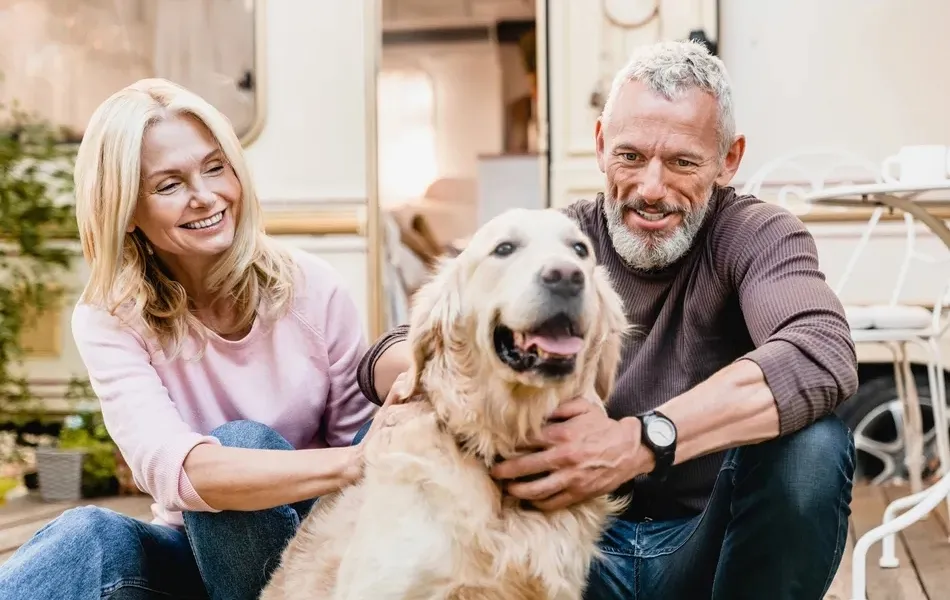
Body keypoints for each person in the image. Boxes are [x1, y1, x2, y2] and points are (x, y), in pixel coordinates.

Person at [358, 40, 858, 599]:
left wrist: (641, 441)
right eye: (630, 156)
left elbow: (820, 352)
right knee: (388, 428)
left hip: (708, 551)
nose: (650, 188)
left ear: (729, 160)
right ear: (600, 144)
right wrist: (421, 378)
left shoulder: (757, 236)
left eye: (682, 163)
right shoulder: (560, 245)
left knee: (813, 446)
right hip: (566, 551)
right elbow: (393, 348)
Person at [0, 78, 380, 600]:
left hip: (322, 557)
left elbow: (360, 449)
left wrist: (362, 457)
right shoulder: (110, 317)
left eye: (215, 166)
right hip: (198, 557)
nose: (206, 196)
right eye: (169, 184)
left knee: (243, 445)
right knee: (88, 535)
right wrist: (358, 461)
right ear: (127, 212)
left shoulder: (313, 288)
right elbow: (175, 472)